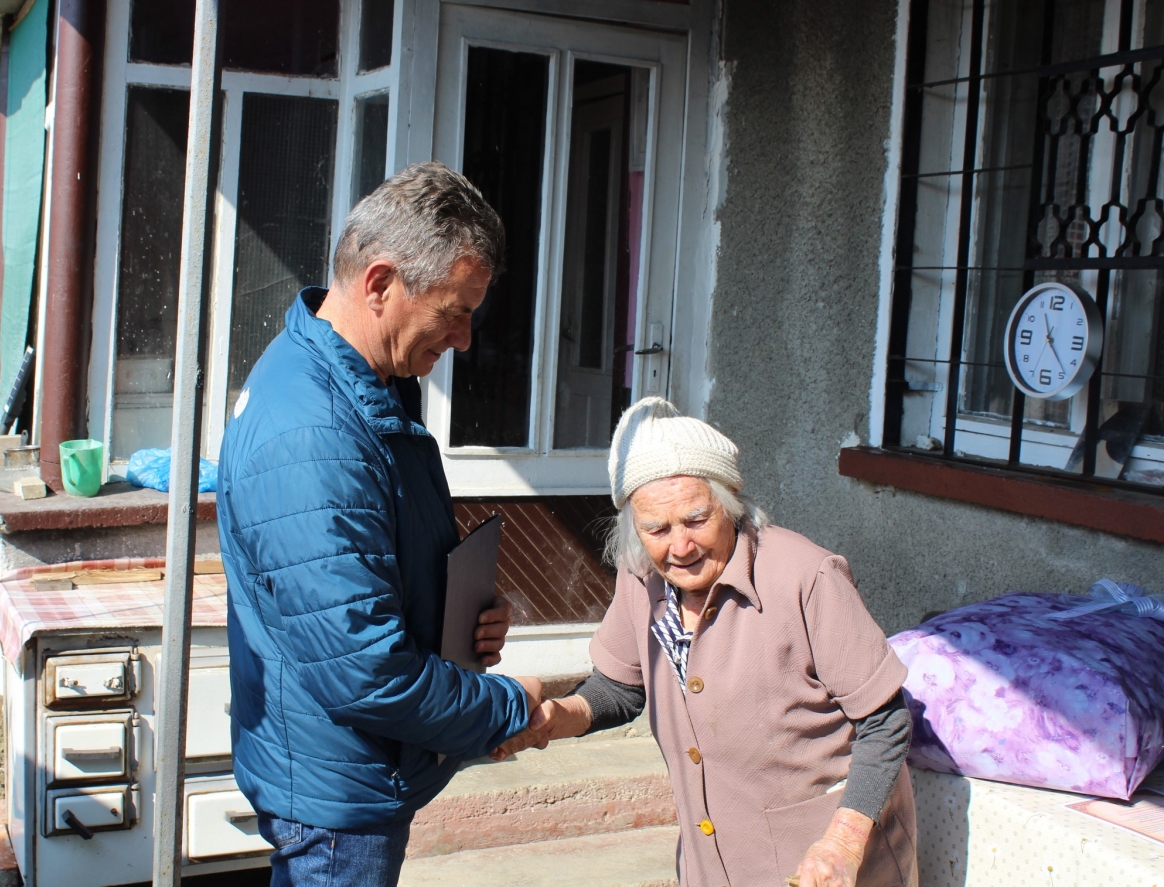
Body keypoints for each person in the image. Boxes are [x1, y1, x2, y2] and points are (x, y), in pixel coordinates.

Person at [218, 162, 542, 887]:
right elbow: (366, 670)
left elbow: (366, 573)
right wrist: (504, 707)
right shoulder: (314, 433)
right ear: (380, 283)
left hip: (351, 770)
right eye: (454, 311)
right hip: (338, 798)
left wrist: (459, 620)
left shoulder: (364, 380)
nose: (464, 339)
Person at [494, 397, 918, 887]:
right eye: (656, 529)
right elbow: (619, 689)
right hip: (714, 865)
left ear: (731, 506)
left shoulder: (807, 577)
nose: (680, 547)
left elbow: (885, 721)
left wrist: (842, 844)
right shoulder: (642, 577)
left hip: (827, 864)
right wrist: (555, 719)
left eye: (696, 520)